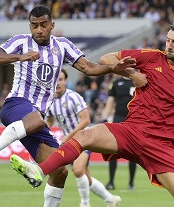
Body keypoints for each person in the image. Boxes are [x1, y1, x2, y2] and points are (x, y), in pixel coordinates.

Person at [9, 23, 174, 207]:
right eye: (168, 40)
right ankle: (40, 171)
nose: (169, 45)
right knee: (84, 137)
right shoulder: (151, 57)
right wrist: (133, 74)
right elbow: (106, 58)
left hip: (161, 144)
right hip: (131, 130)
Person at [0, 5, 138, 207]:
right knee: (36, 120)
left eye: (42, 25)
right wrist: (20, 57)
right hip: (16, 105)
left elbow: (89, 68)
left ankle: (36, 174)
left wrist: (112, 67)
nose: (38, 30)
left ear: (52, 25)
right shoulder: (21, 41)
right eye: (34, 26)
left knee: (60, 169)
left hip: (35, 120)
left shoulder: (63, 46)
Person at [46, 69, 121, 207]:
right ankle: (111, 200)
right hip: (69, 142)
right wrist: (44, 132)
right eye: (55, 80)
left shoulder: (73, 97)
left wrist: (69, 136)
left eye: (61, 79)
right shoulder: (50, 100)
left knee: (78, 170)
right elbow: (50, 120)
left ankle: (85, 204)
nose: (58, 83)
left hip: (84, 139)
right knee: (86, 177)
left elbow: (86, 120)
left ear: (66, 81)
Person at [101, 75, 137, 190]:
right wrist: (105, 117)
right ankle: (111, 182)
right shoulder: (116, 83)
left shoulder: (138, 81)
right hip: (118, 119)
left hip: (134, 120)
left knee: (133, 153)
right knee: (113, 151)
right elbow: (110, 100)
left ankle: (131, 182)